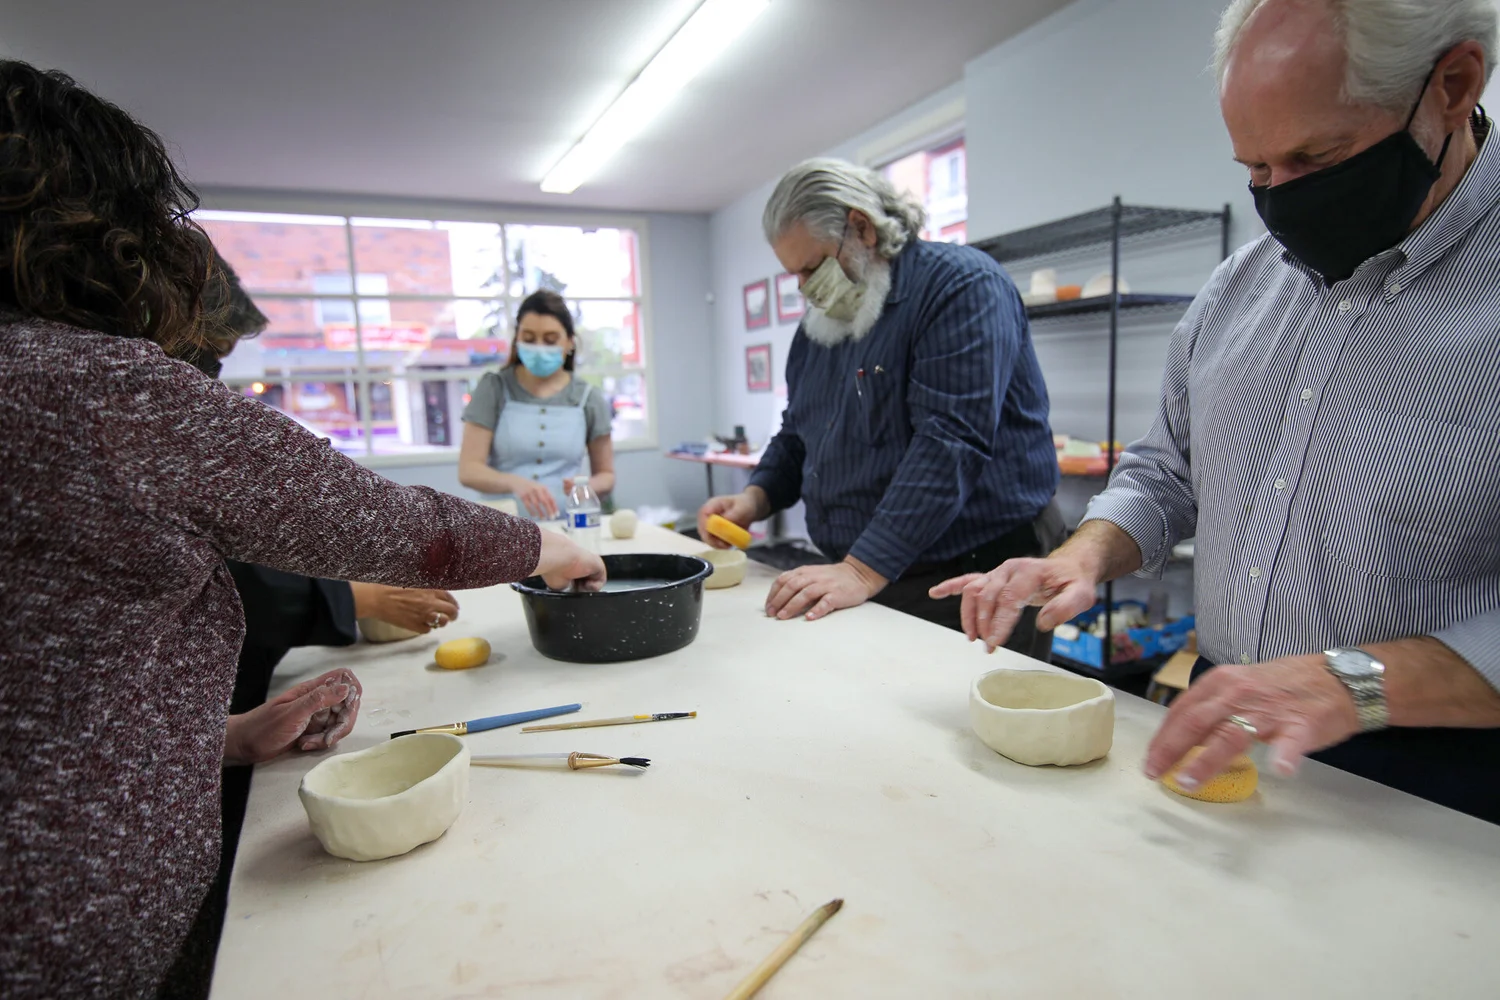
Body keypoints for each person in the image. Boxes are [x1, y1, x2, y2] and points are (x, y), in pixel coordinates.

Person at [0, 61, 606, 1000]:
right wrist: (550, 549)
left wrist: (219, 738)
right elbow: (383, 522)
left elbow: (41, 695)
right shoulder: (88, 386)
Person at [936, 0, 1500, 824]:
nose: (1284, 201)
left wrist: (1353, 682)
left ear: (1452, 85)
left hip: (1434, 769)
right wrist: (1085, 554)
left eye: (1316, 157)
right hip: (1224, 710)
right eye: (1257, 172)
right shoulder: (1240, 286)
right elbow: (1166, 472)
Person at [697, 159, 1062, 658]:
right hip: (873, 571)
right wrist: (755, 498)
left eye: (812, 267)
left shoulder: (961, 286)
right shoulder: (823, 323)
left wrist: (860, 569)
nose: (804, 287)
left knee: (965, 706)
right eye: (795, 274)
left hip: (971, 576)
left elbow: (949, 442)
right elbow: (798, 431)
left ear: (862, 228)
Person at [458, 290, 615, 518]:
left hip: (566, 524)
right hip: (502, 525)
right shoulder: (494, 388)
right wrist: (514, 483)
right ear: (517, 340)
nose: (539, 347)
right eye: (529, 339)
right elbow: (468, 470)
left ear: (569, 342)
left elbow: (606, 475)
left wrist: (585, 486)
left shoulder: (589, 398)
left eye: (550, 340)